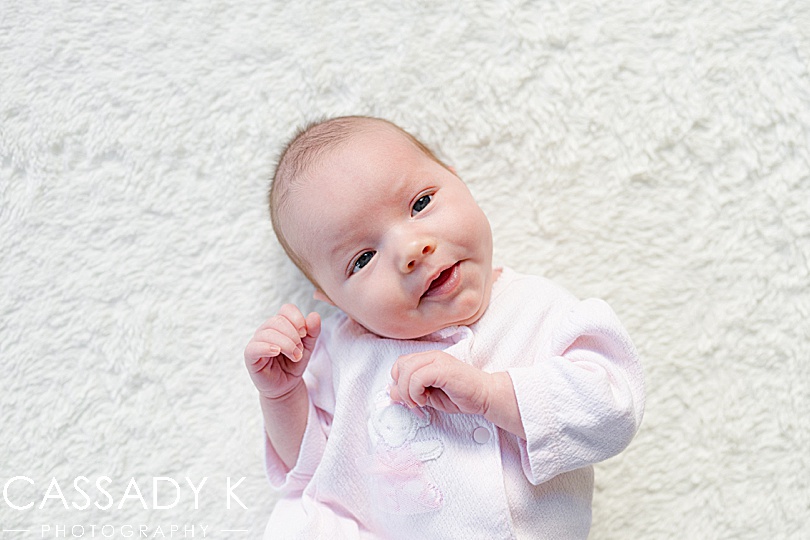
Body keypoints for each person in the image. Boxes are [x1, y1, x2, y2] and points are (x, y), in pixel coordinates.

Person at [244, 116, 645, 539]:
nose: (411, 251)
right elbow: (315, 471)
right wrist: (282, 395)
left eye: (420, 204)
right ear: (332, 299)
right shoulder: (343, 351)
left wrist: (494, 395)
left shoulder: (538, 311)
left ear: (459, 181)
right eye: (362, 259)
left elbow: (613, 408)